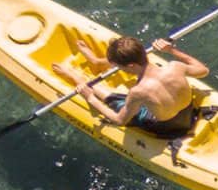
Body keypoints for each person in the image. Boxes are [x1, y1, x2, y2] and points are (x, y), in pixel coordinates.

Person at [51, 32, 209, 139]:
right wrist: (172, 50)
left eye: (120, 67)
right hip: (188, 114)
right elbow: (204, 70)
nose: (120, 69)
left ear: (131, 66)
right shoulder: (175, 67)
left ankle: (77, 78)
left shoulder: (138, 92)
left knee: (113, 99)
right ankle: (97, 62)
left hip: (166, 127)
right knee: (138, 98)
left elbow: (120, 120)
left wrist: (90, 97)